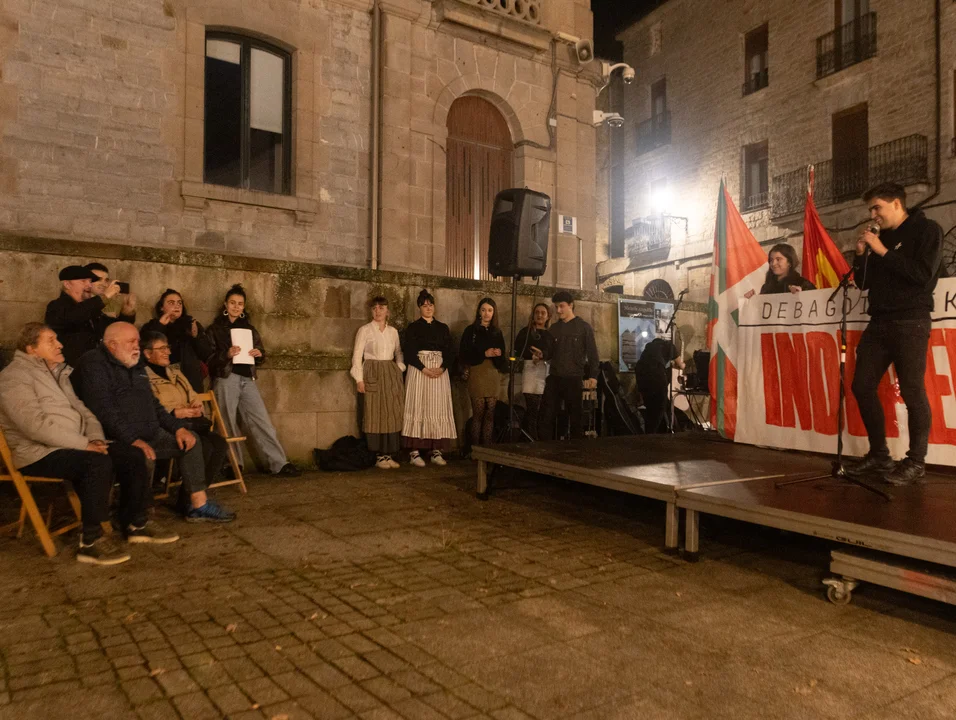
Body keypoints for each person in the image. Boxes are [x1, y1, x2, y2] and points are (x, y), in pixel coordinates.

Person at [0, 323, 130, 565]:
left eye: (57, 339)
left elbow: (83, 411)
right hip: (38, 453)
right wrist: (84, 444)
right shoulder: (13, 377)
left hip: (71, 444)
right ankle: (90, 542)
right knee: (96, 463)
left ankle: (136, 522)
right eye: (51, 340)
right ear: (31, 349)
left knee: (127, 453)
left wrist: (95, 438)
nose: (59, 345)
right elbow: (35, 426)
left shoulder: (58, 372)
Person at [848, 182, 943, 486]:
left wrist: (882, 251)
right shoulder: (882, 238)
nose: (873, 215)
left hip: (910, 321)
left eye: (877, 207)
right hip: (879, 322)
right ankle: (879, 455)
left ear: (897, 204)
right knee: (862, 385)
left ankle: (916, 461)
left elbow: (922, 275)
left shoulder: (927, 230)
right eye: (870, 209)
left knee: (912, 391)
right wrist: (861, 255)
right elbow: (864, 283)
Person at [72, 323, 195, 542]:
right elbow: (103, 410)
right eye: (131, 342)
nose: (137, 346)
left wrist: (178, 428)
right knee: (140, 456)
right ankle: (137, 521)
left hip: (148, 432)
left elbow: (154, 405)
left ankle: (194, 505)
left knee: (194, 442)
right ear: (112, 345)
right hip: (113, 436)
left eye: (137, 341)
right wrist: (133, 439)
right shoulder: (93, 364)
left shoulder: (135, 364)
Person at [206, 284, 300, 478]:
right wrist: (226, 354)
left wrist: (259, 354)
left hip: (247, 378)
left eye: (240, 304)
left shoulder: (249, 328)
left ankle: (279, 463)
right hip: (226, 378)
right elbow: (208, 359)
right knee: (227, 422)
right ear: (225, 304)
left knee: (261, 420)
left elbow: (261, 353)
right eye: (233, 303)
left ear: (244, 306)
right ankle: (234, 465)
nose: (236, 307)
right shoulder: (215, 329)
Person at [142, 331, 231, 518]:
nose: (167, 352)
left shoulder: (175, 372)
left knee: (219, 444)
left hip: (191, 422)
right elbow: (151, 407)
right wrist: (175, 412)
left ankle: (191, 498)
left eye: (167, 347)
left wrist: (196, 406)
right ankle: (192, 502)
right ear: (148, 353)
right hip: (167, 426)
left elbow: (192, 394)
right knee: (201, 445)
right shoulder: (144, 377)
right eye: (161, 348)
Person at [401, 289, 457, 467]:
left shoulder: (443, 328)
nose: (428, 308)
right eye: (425, 305)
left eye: (431, 305)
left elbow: (450, 351)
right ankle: (414, 452)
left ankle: (436, 450)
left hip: (439, 372)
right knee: (418, 405)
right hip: (419, 371)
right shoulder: (413, 328)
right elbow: (409, 352)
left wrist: (442, 367)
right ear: (419, 307)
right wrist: (424, 369)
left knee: (437, 407)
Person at [351, 296, 406, 469]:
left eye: (381, 308)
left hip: (389, 372)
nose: (377, 311)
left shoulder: (393, 332)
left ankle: (388, 454)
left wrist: (399, 367)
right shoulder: (365, 330)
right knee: (374, 412)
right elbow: (357, 355)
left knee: (391, 411)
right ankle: (378, 456)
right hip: (372, 372)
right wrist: (359, 379)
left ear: (387, 311)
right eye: (374, 308)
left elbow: (398, 352)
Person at [539, 290, 599, 441]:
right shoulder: (554, 329)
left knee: (575, 417)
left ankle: (575, 448)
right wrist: (541, 355)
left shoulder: (583, 328)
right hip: (555, 376)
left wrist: (593, 376)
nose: (558, 310)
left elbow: (593, 353)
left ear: (571, 305)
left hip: (573, 377)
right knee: (547, 414)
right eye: (556, 307)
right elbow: (549, 352)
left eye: (561, 306)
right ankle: (546, 446)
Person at [45, 265, 135, 366]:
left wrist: (127, 312)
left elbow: (113, 330)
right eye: (83, 281)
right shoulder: (56, 306)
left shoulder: (92, 310)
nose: (89, 285)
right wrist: (104, 297)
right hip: (71, 368)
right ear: (67, 284)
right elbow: (75, 315)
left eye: (90, 281)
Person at [140, 289, 213, 394]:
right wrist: (160, 326)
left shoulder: (191, 325)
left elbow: (206, 353)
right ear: (161, 307)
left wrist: (196, 337)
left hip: (190, 377)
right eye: (171, 303)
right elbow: (145, 352)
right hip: (162, 377)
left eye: (179, 303)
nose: (177, 306)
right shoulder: (152, 326)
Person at [459, 297, 507, 448]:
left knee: (490, 413)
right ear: (479, 312)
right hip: (477, 372)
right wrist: (484, 353)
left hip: (492, 373)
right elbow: (464, 354)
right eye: (484, 310)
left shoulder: (497, 332)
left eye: (490, 310)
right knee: (478, 413)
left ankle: (487, 448)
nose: (487, 313)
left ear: (494, 313)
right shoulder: (471, 331)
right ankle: (475, 449)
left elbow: (502, 358)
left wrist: (499, 354)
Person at [514, 303, 555, 440]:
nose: (539, 315)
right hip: (530, 370)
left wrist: (542, 355)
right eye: (537, 312)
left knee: (542, 410)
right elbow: (518, 349)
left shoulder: (550, 334)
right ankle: (532, 439)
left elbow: (553, 352)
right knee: (532, 409)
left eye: (543, 313)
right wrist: (531, 355)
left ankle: (538, 438)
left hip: (544, 370)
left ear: (548, 316)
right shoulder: (525, 332)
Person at [635, 337, 685, 433]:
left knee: (650, 407)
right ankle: (653, 434)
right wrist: (683, 365)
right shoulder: (670, 346)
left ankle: (649, 433)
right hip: (656, 374)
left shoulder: (649, 349)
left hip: (641, 373)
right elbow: (680, 365)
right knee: (660, 407)